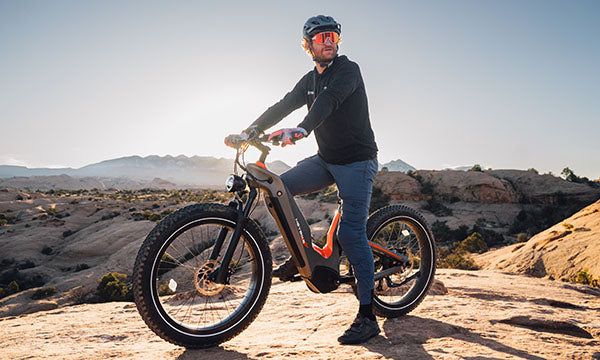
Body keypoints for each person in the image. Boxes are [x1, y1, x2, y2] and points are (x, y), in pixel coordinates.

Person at [226, 15, 379, 345]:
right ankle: (305, 254)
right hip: (327, 160)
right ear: (308, 45)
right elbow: (283, 105)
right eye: (321, 37)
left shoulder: (347, 70)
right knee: (280, 189)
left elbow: (329, 101)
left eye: (333, 37)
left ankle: (367, 316)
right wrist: (249, 130)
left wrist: (304, 128)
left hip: (357, 162)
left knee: (352, 235)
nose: (328, 42)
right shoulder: (309, 79)